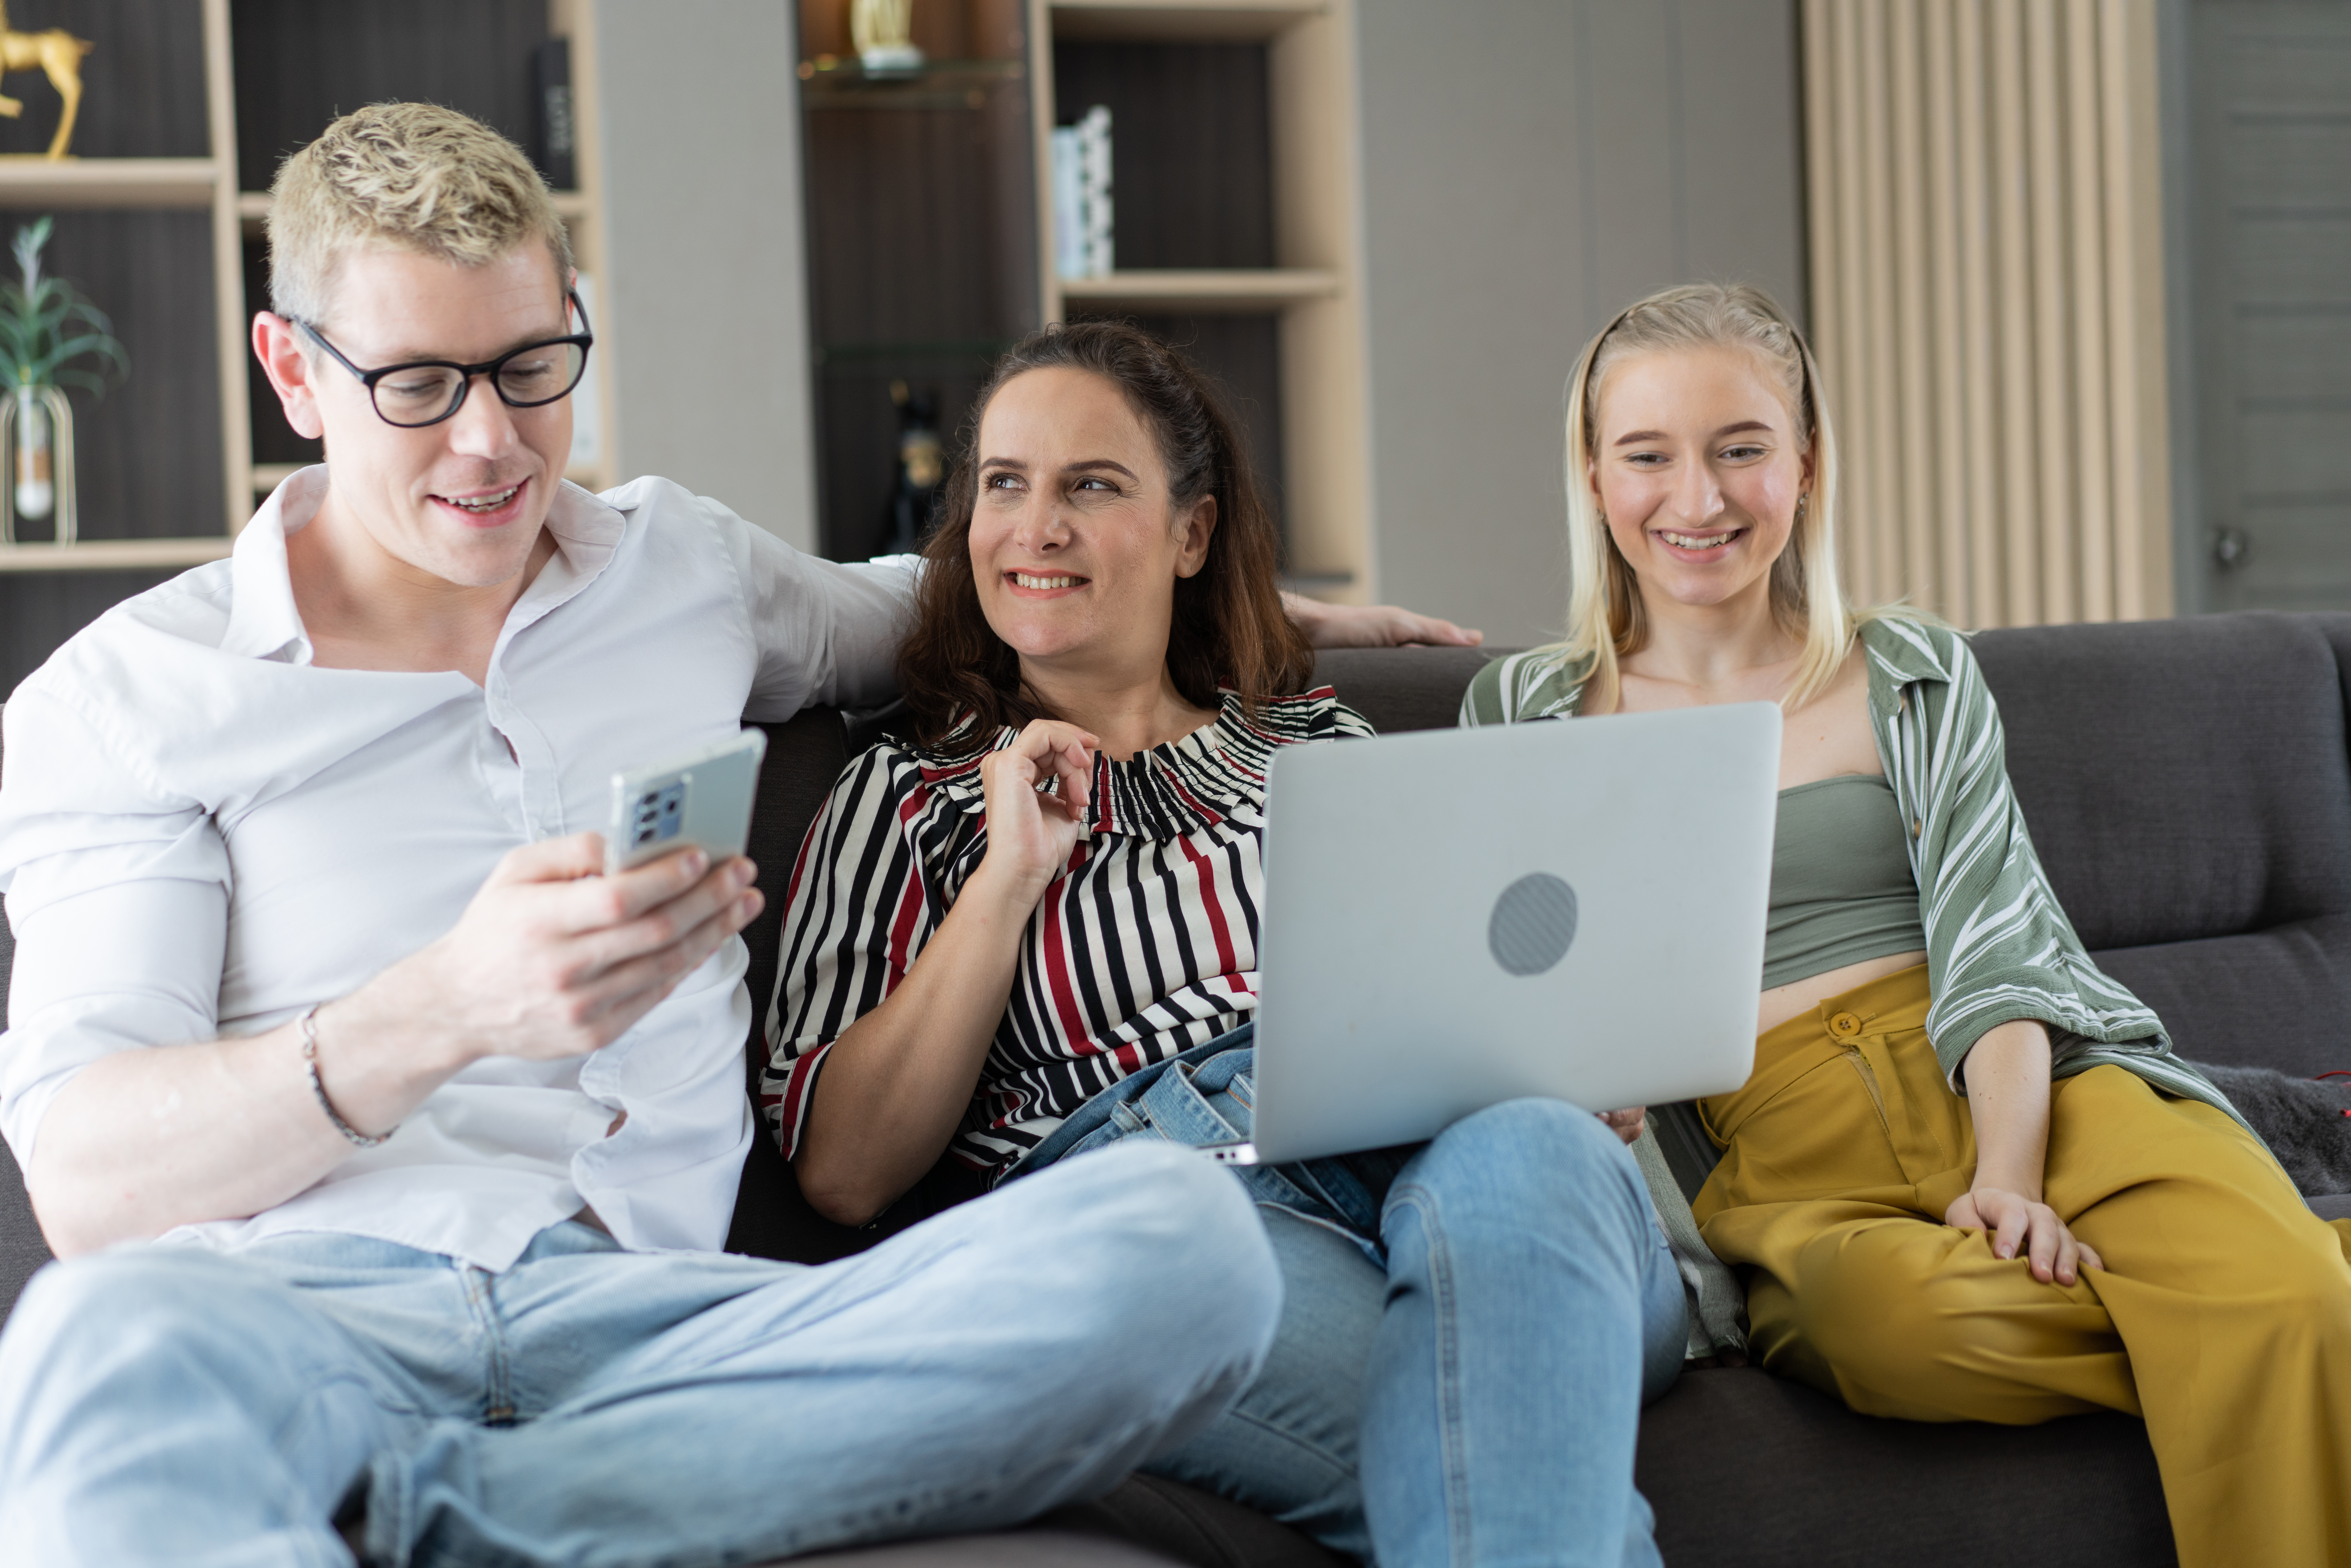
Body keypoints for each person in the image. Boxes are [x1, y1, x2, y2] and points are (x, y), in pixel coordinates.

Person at [0, 104, 1474, 1566]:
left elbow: (958, 596)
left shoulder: (681, 570)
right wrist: (440, 1009)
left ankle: (459, 1524)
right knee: (95, 1345)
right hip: (307, 1312)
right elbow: (87, 1179)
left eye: (531, 366)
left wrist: (1234, 611)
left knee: (1182, 1254)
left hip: (672, 1334)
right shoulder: (134, 699)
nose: (493, 440)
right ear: (294, 373)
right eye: (420, 384)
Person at [767, 319, 1686, 1568]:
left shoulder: (1319, 744)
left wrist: (1552, 1062)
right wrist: (1006, 884)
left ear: (1190, 534)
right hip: (1181, 1206)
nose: (1035, 527)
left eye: (1090, 486)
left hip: (1464, 1161)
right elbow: (843, 1172)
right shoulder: (908, 799)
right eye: (1003, 485)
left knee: (1529, 1147)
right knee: (1503, 1424)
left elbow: (1473, 997)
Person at [1460, 281, 2351, 1568]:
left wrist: (2002, 1176)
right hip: (1776, 1146)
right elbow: (1531, 984)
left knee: (2278, 1300)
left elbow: (1994, 944)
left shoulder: (1905, 668)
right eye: (1647, 455)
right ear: (1592, 477)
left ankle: (2285, 1294)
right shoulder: (1526, 711)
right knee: (1915, 1335)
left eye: (1740, 450)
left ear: (1805, 466)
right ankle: (2294, 1293)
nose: (1695, 499)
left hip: (2020, 1081)